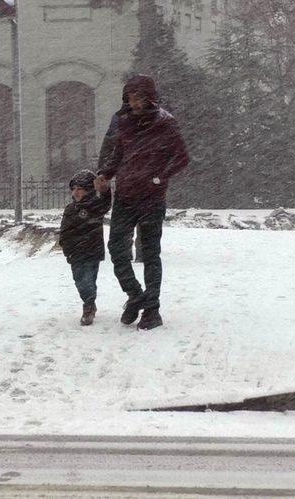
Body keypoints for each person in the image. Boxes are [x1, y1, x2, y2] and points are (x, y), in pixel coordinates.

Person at [97, 74, 189, 330]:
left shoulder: (165, 124)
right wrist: (105, 174)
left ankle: (152, 309)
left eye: (138, 98)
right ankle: (135, 295)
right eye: (130, 98)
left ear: (150, 98)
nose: (134, 103)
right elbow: (118, 155)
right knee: (117, 249)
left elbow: (181, 157)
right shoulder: (124, 123)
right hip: (125, 196)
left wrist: (160, 177)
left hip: (151, 198)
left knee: (150, 254)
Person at [58, 169, 112, 326]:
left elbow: (106, 202)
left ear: (88, 190)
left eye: (80, 189)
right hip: (75, 252)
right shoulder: (70, 209)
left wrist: (105, 190)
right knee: (79, 280)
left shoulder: (95, 206)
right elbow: (65, 230)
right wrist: (66, 247)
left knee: (88, 280)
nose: (76, 192)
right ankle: (88, 301)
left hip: (92, 251)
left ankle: (88, 306)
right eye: (74, 189)